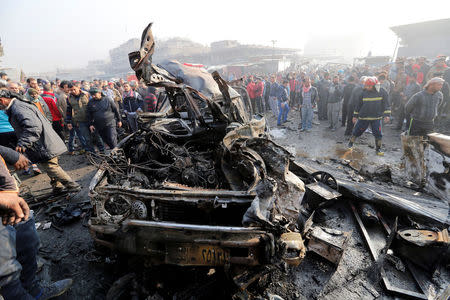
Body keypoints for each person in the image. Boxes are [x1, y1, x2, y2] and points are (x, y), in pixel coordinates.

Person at [0, 146, 73, 299]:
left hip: (10, 202)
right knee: (7, 275)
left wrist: (12, 155)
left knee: (27, 243)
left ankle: (35, 291)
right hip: (4, 203)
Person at [0, 90, 80, 193]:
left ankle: (73, 186)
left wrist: (23, 142)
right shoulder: (18, 105)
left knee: (51, 166)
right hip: (43, 141)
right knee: (49, 165)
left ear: (1, 100)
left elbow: (33, 127)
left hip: (44, 143)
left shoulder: (18, 108)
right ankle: (57, 186)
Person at [348, 77, 391, 156]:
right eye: (366, 86)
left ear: (374, 85)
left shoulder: (382, 92)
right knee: (356, 131)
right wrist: (355, 116)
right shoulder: (363, 93)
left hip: (376, 118)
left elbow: (386, 104)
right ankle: (350, 144)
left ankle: (378, 149)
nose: (367, 88)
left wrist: (387, 115)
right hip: (364, 117)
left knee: (378, 134)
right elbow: (358, 106)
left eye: (369, 86)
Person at [66, 82, 95, 153]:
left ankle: (101, 152)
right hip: (80, 120)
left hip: (91, 119)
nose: (72, 91)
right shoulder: (69, 98)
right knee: (86, 138)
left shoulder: (86, 94)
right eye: (71, 90)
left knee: (96, 137)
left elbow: (93, 105)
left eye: (74, 89)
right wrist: (68, 121)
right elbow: (69, 110)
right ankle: (91, 153)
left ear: (78, 87)